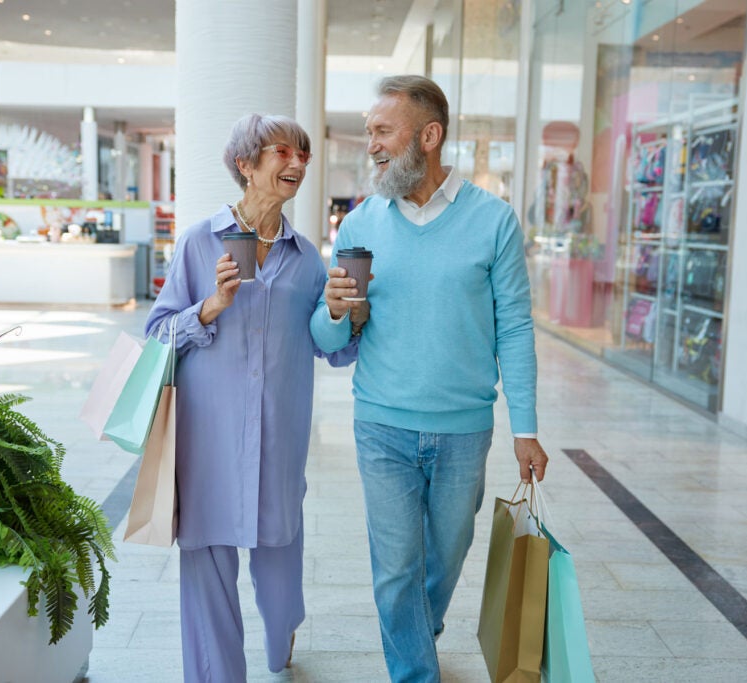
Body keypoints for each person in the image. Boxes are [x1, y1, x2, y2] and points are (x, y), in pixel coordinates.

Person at [310, 75, 549, 682]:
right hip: (382, 423)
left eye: (383, 131)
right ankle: (415, 670)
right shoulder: (362, 224)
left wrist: (526, 429)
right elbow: (326, 336)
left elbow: (516, 330)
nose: (372, 145)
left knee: (445, 558)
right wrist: (336, 310)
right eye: (370, 133)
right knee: (395, 568)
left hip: (464, 430)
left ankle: (417, 629)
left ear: (430, 135)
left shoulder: (493, 221)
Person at [145, 113, 363, 681]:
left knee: (280, 578)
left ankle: (282, 629)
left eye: (304, 155)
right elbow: (156, 337)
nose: (297, 164)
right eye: (282, 153)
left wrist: (340, 312)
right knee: (208, 581)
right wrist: (208, 308)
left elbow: (332, 350)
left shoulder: (307, 258)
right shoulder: (198, 243)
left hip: (277, 447)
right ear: (245, 165)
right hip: (208, 445)